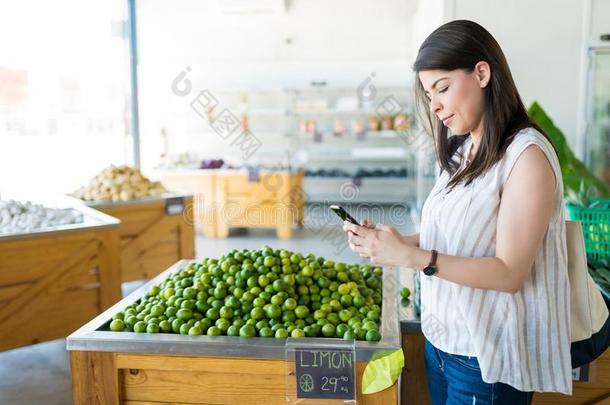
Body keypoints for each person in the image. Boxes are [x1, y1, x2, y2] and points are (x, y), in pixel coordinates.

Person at [342, 20, 571, 404]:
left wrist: (412, 257)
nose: (435, 105)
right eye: (429, 93)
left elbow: (509, 272)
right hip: (443, 347)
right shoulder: (464, 149)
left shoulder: (526, 157)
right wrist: (392, 244)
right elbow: (457, 239)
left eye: (443, 88)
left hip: (486, 362)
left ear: (482, 73)